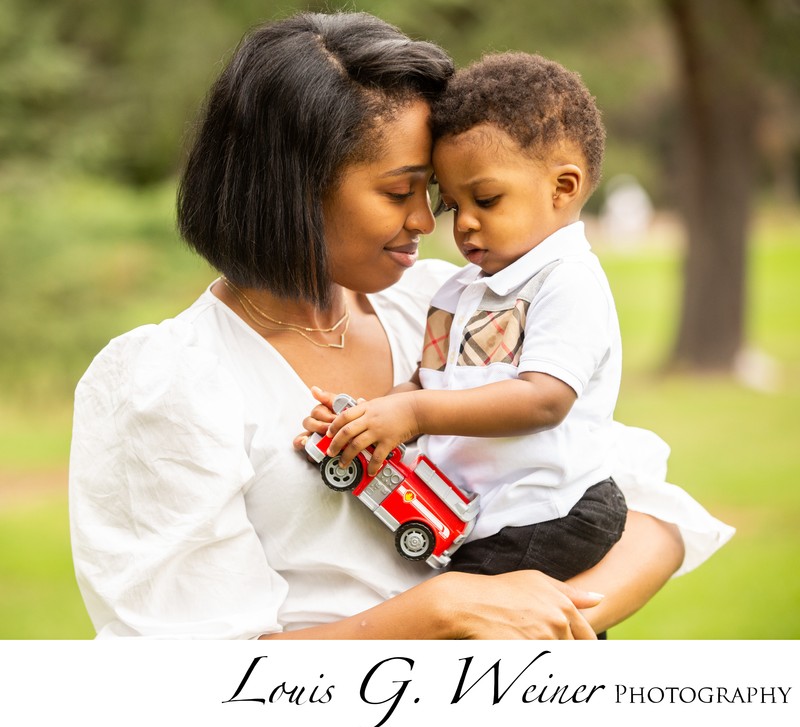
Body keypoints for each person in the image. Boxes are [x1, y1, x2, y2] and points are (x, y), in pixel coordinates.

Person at [69, 11, 732, 640]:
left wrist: (549, 623)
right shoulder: (174, 384)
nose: (426, 221)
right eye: (398, 192)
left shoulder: (441, 303)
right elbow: (181, 671)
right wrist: (443, 611)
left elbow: (645, 508)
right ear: (291, 189)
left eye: (436, 194)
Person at [319, 51, 626, 582]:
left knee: (476, 620)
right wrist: (368, 419)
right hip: (487, 517)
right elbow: (428, 382)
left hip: (550, 511)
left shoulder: (566, 281)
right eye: (453, 204)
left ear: (563, 187)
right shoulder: (458, 289)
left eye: (486, 199)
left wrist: (415, 414)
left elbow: (543, 400)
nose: (464, 224)